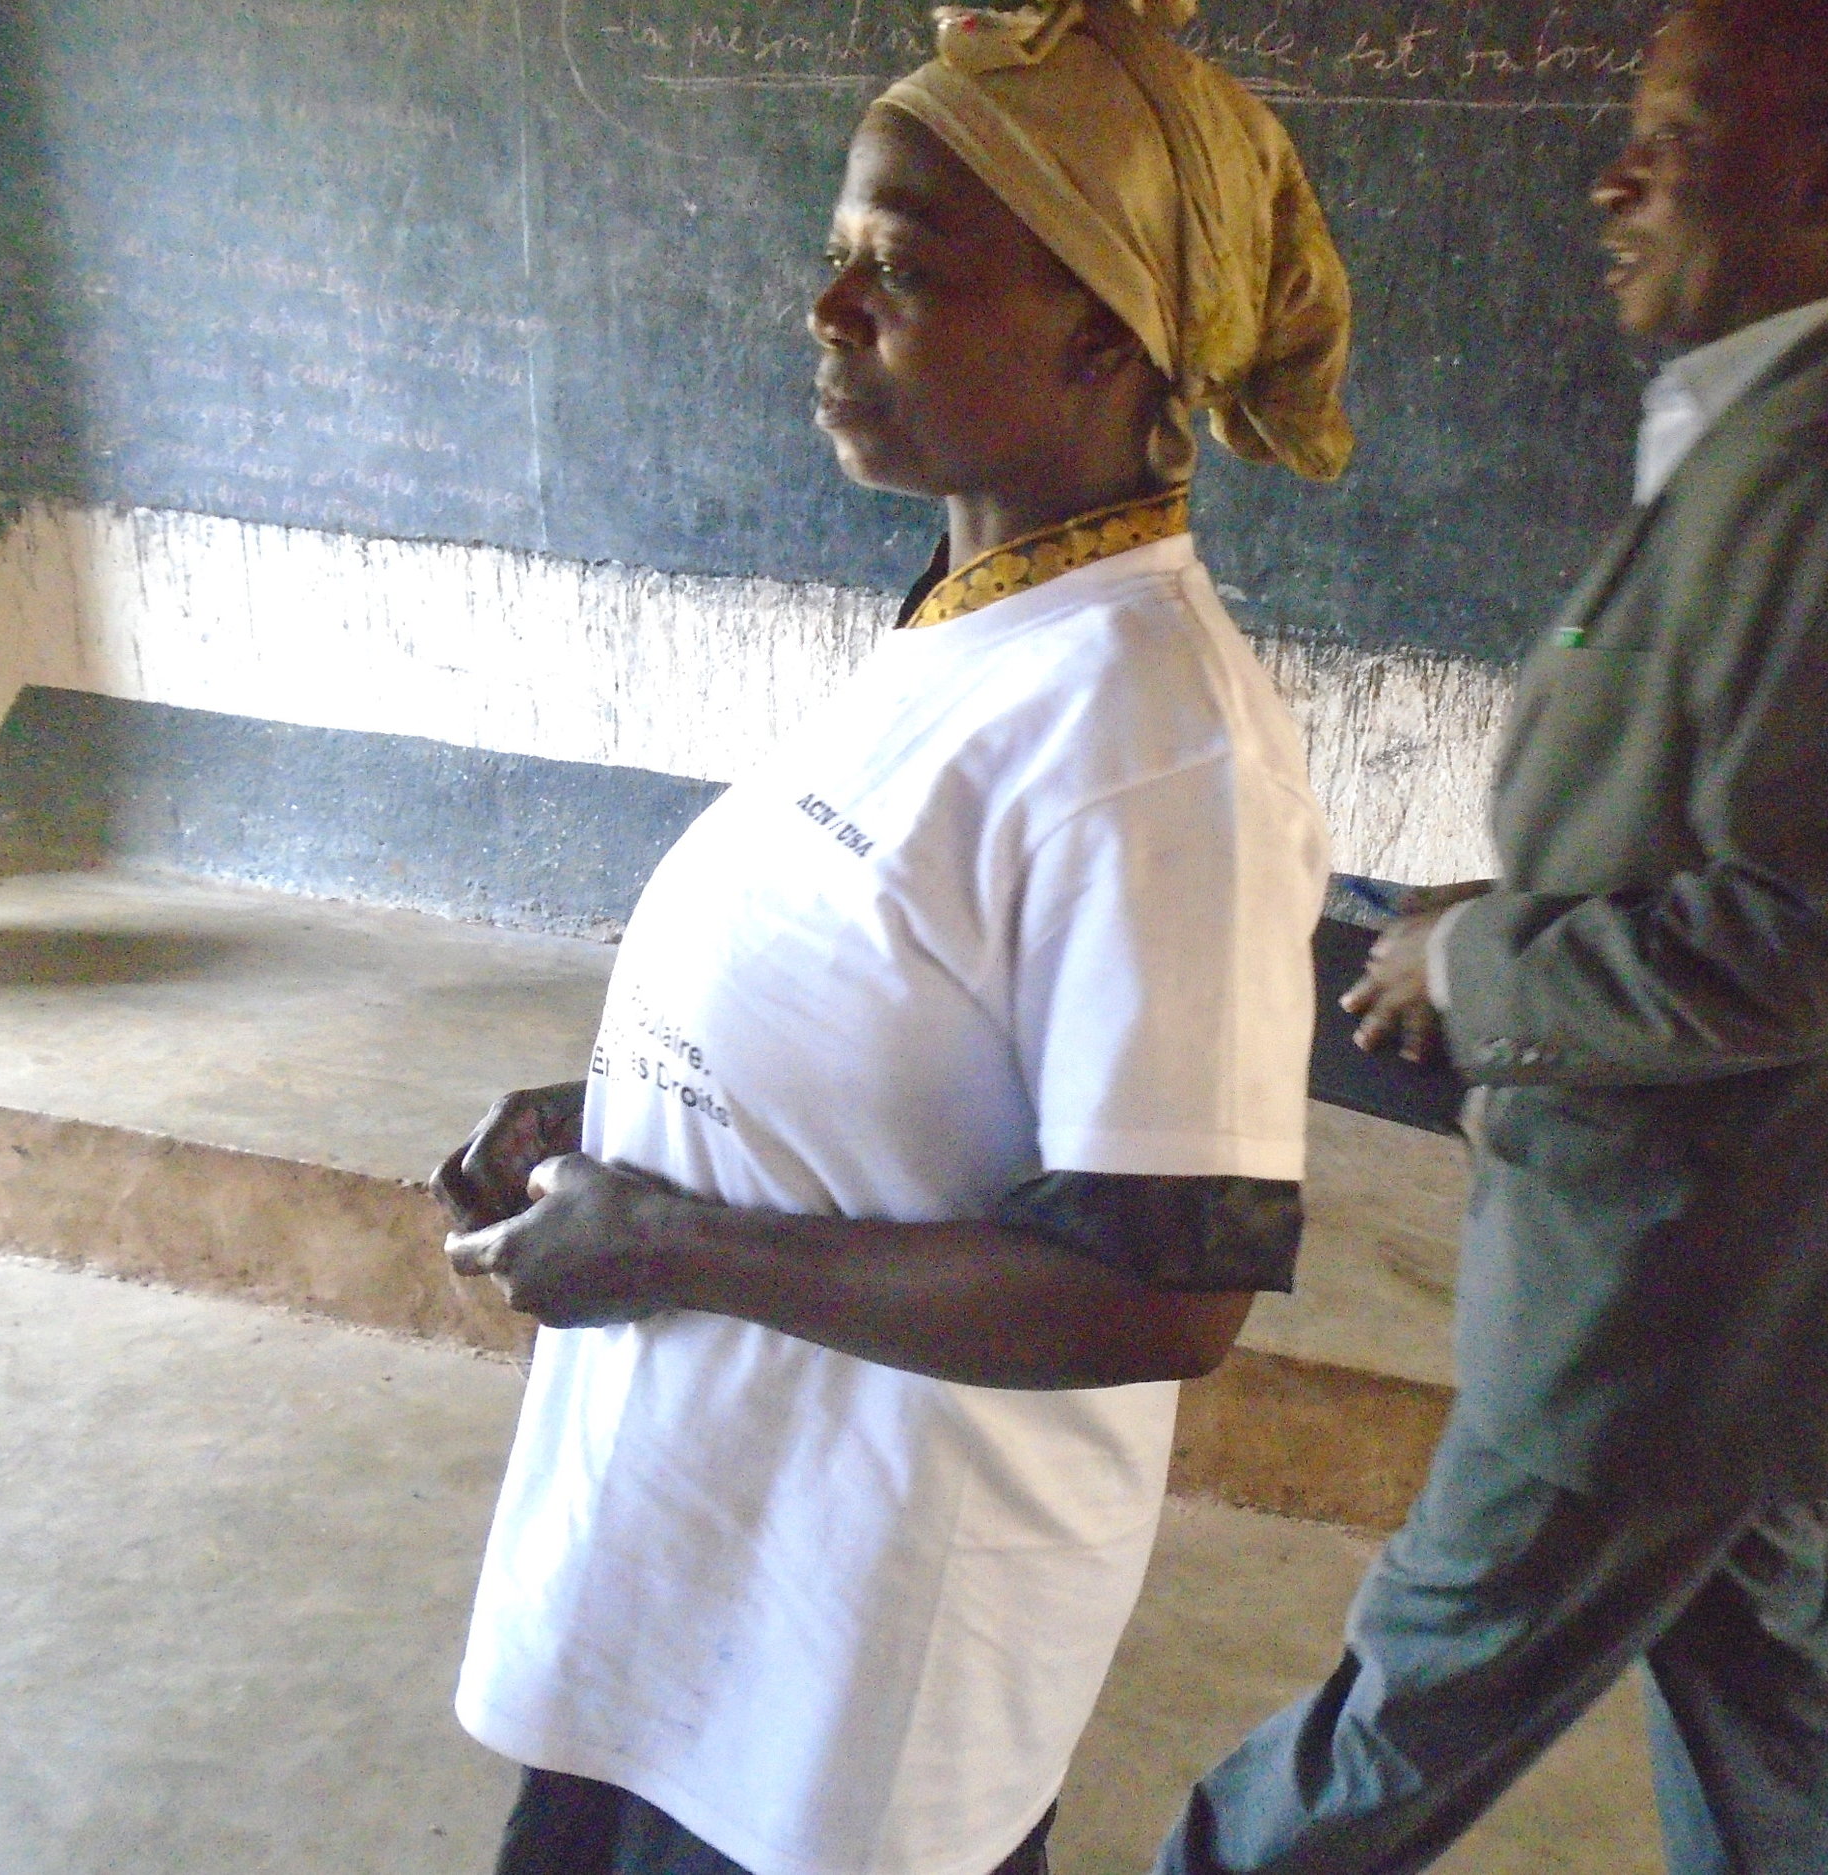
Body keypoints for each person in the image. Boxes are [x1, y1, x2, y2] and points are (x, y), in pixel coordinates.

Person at [430, 4, 1352, 1871]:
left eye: (904, 270)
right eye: (840, 256)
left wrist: (671, 1231)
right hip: (708, 1567)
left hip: (853, 1670)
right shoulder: (972, 615)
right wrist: (621, 1114)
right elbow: (889, 1014)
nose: (830, 311)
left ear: (1107, 330)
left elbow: (1162, 1287)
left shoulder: (1156, 742)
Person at [1151, 2, 1828, 1871]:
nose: (1614, 176)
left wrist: (1471, 972)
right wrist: (1487, 919)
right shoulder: (1786, 414)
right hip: (1750, 1288)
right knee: (1759, 1701)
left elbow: (1791, 948)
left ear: (1824, 160)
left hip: (1680, 1289)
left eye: (1674, 128)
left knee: (1406, 1705)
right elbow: (1713, 824)